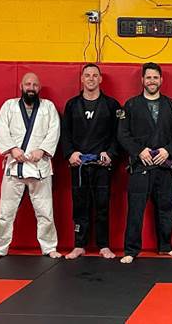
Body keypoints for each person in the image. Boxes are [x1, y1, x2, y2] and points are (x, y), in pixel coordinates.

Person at [0, 73, 61, 261]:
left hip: (39, 166)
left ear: (39, 87)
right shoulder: (9, 106)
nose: (31, 88)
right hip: (15, 166)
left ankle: (49, 247)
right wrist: (12, 149)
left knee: (45, 211)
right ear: (21, 86)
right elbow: (1, 129)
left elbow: (54, 130)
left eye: (35, 85)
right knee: (6, 212)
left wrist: (43, 150)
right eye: (28, 84)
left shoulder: (48, 107)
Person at [118, 62, 172, 264]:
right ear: (142, 80)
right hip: (140, 165)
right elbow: (123, 134)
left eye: (155, 77)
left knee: (166, 208)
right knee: (135, 209)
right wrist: (139, 151)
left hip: (163, 164)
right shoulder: (131, 105)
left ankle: (166, 247)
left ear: (161, 80)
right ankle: (131, 250)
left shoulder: (170, 105)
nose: (152, 81)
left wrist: (167, 150)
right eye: (148, 77)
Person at [61, 64, 121, 260]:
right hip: (79, 164)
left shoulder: (112, 105)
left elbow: (118, 134)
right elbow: (65, 133)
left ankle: (104, 245)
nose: (91, 78)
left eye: (95, 75)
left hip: (102, 165)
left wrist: (110, 153)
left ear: (100, 79)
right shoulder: (72, 105)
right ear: (82, 79)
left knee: (103, 206)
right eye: (87, 75)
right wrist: (70, 153)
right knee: (80, 205)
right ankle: (79, 245)